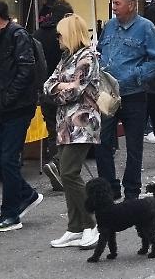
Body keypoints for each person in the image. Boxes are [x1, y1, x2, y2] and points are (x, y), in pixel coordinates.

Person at [0, 0, 44, 233]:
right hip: (2, 108)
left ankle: (11, 214)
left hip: (18, 107)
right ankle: (26, 194)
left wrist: (8, 98)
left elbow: (26, 71)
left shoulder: (18, 35)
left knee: (8, 159)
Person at [96, 0, 155, 200]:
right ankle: (109, 188)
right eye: (113, 3)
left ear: (131, 5)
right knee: (101, 142)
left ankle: (131, 191)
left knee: (134, 146)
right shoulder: (109, 26)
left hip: (133, 94)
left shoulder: (146, 28)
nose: (114, 7)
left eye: (117, 3)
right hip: (108, 94)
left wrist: (137, 74)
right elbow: (100, 51)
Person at [42, 13, 102, 250]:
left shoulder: (87, 58)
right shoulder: (67, 57)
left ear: (70, 33)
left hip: (82, 124)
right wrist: (62, 87)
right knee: (66, 174)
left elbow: (73, 92)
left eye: (60, 34)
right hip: (65, 124)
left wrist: (60, 87)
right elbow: (48, 85)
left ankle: (91, 223)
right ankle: (75, 226)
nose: (57, 38)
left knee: (68, 172)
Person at [35, 0, 73, 191]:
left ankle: (55, 165)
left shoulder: (38, 34)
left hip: (45, 90)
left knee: (53, 132)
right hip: (64, 90)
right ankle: (59, 165)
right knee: (67, 132)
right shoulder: (67, 36)